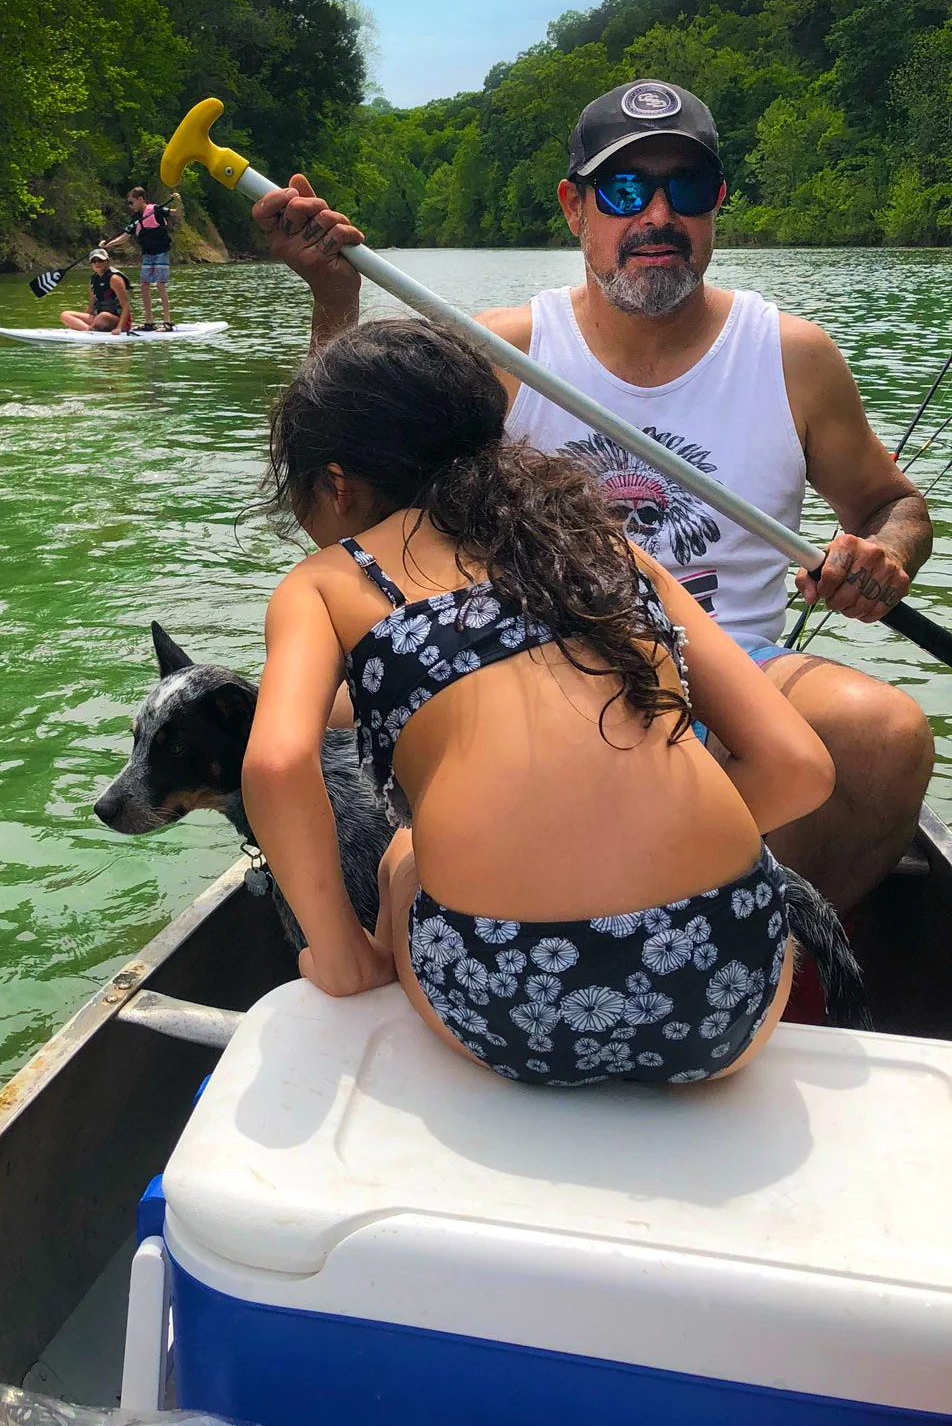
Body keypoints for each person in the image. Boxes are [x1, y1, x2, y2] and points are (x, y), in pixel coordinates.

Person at [251, 79, 934, 913]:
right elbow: (357, 516)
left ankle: (770, 940)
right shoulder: (501, 350)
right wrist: (334, 301)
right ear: (575, 208)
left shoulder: (793, 356)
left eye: (686, 189)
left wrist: (884, 553)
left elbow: (892, 505)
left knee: (884, 734)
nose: (658, 216)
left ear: (717, 203)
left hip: (736, 666)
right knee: (330, 714)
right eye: (623, 190)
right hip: (527, 663)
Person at [243, 319, 835, 1085]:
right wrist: (629, 851)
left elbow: (278, 765)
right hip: (729, 993)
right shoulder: (602, 545)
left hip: (511, 1009)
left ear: (336, 483)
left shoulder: (326, 580)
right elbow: (798, 768)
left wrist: (339, 952)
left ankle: (370, 979)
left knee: (401, 853)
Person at [104, 185, 181, 329]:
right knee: (144, 285)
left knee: (160, 285)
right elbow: (125, 236)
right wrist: (108, 245)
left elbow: (177, 212)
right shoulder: (136, 218)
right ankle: (149, 322)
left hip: (161, 252)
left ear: (140, 199)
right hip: (147, 254)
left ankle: (167, 322)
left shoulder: (156, 210)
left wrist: (178, 201)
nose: (130, 206)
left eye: (131, 202)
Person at [59, 249, 132, 333]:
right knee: (65, 315)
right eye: (94, 261)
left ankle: (90, 328)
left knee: (103, 316)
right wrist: (79, 322)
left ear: (107, 261)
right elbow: (91, 307)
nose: (97, 263)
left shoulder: (115, 278)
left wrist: (119, 328)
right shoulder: (93, 280)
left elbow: (126, 306)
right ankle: (89, 329)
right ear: (91, 264)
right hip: (99, 319)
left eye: (101, 260)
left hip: (116, 320)